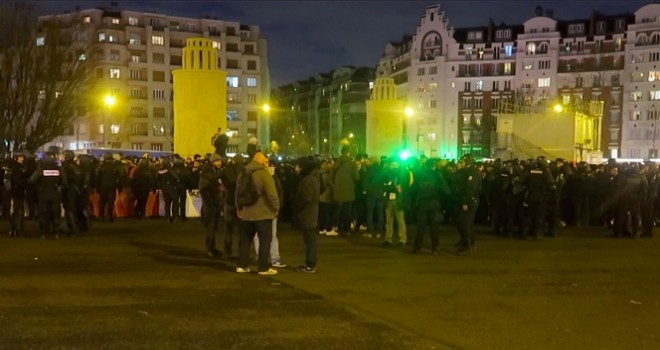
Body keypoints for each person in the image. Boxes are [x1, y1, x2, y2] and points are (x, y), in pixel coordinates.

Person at [235, 151, 279, 275]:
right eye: (266, 160)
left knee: (245, 240)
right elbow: (272, 195)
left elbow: (237, 193)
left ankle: (241, 265)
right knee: (265, 240)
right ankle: (263, 267)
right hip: (263, 214)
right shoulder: (264, 174)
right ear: (261, 160)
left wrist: (239, 208)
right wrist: (276, 208)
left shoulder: (243, 173)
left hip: (246, 214)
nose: (267, 163)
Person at [29, 146, 67, 239]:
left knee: (43, 214)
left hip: (43, 193)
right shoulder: (58, 168)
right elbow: (64, 182)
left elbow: (32, 180)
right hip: (55, 193)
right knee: (56, 213)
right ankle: (56, 233)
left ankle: (43, 233)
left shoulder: (41, 167)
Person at [292, 157, 321, 273]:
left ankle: (310, 264)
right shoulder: (313, 177)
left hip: (307, 213)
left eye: (298, 166)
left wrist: (296, 207)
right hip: (311, 212)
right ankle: (310, 263)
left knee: (309, 240)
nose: (296, 168)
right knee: (310, 240)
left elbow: (306, 198)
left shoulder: (308, 179)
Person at [455, 154, 482, 255]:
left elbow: (470, 188)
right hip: (468, 200)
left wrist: (466, 202)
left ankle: (468, 246)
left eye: (462, 162)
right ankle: (466, 243)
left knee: (465, 224)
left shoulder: (472, 172)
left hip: (469, 201)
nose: (460, 163)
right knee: (466, 224)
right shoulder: (470, 171)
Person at [199, 153, 224, 256]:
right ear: (213, 162)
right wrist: (210, 202)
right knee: (210, 227)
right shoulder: (208, 173)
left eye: (220, 161)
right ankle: (210, 249)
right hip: (210, 204)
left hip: (214, 203)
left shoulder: (213, 172)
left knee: (213, 227)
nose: (219, 163)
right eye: (217, 161)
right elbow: (203, 189)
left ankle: (212, 248)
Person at [332, 146, 360, 236]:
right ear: (348, 152)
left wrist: (334, 187)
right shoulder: (352, 164)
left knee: (339, 211)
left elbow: (330, 178)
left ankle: (340, 229)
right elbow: (357, 177)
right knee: (348, 212)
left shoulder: (336, 164)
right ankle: (346, 229)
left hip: (337, 192)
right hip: (349, 192)